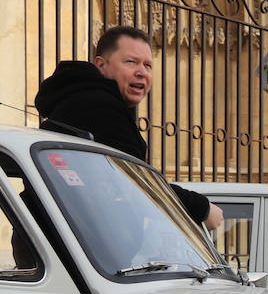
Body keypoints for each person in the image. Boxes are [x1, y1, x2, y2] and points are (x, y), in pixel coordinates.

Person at [33, 25, 222, 231]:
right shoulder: (97, 105)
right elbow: (137, 180)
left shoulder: (84, 99)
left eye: (148, 65)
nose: (142, 72)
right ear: (101, 65)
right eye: (131, 62)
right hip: (72, 245)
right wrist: (202, 208)